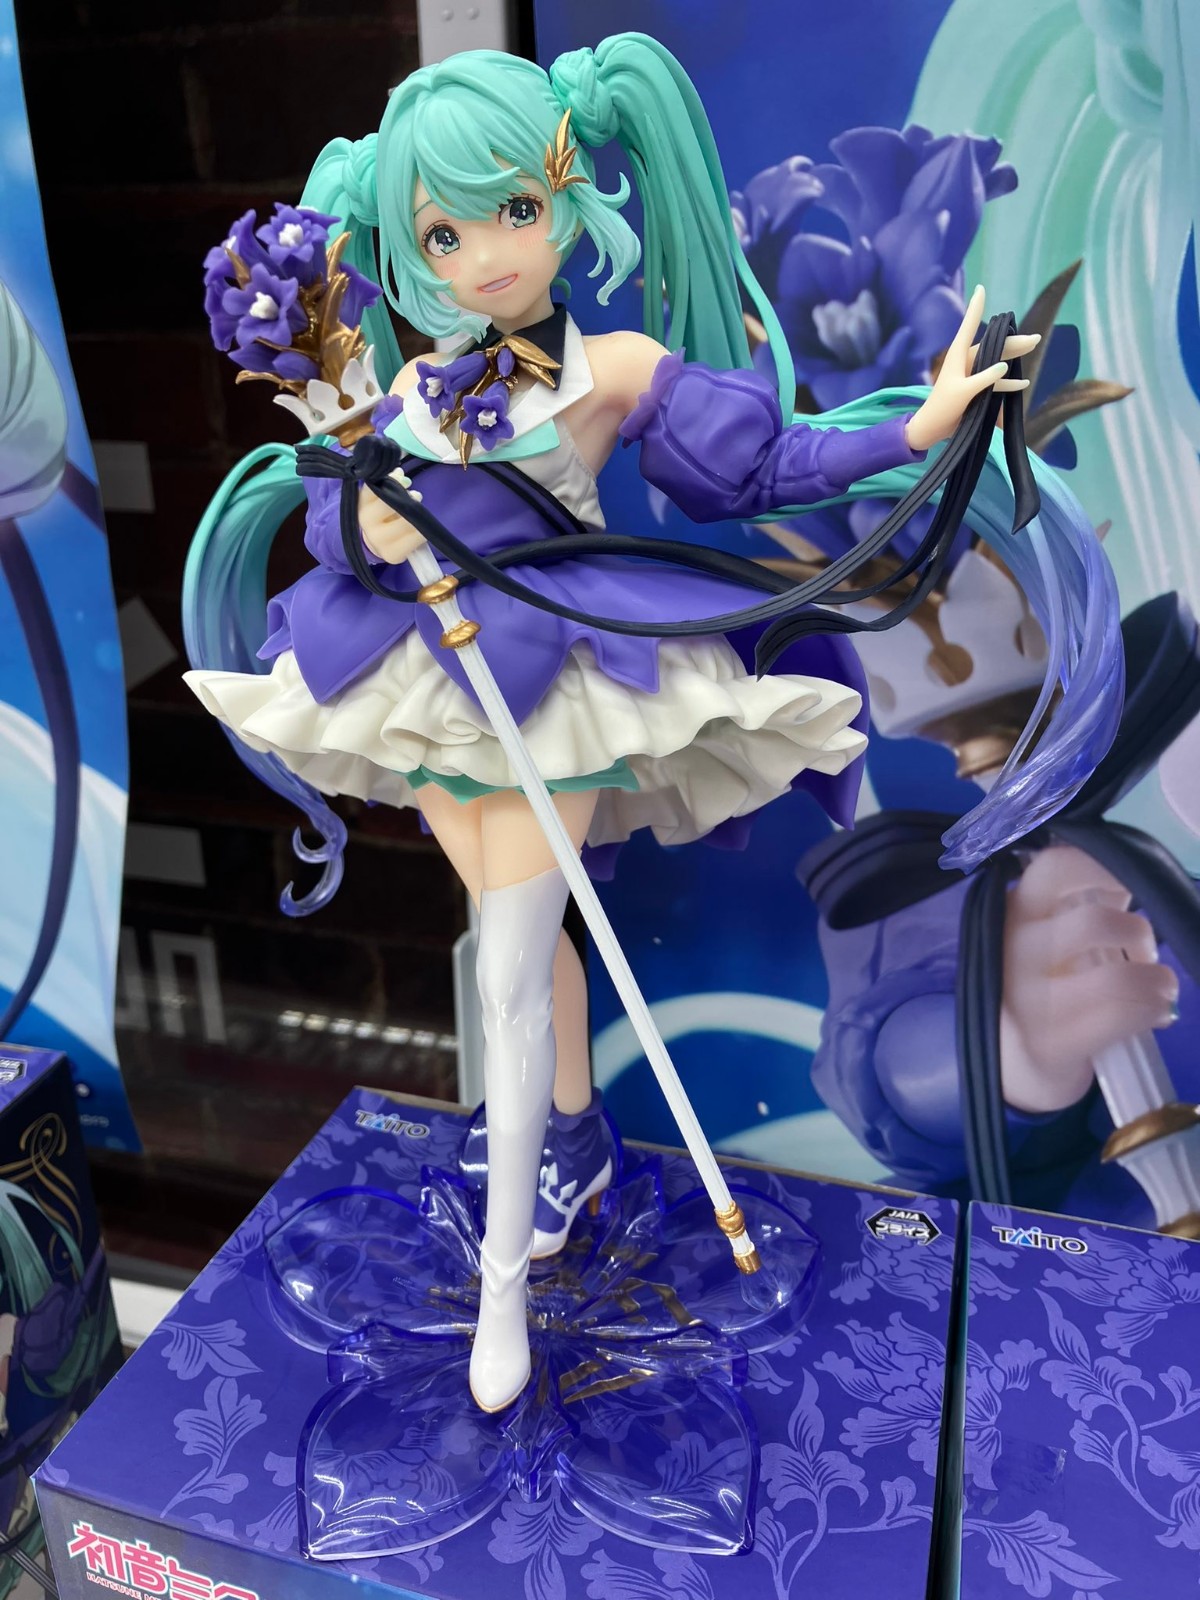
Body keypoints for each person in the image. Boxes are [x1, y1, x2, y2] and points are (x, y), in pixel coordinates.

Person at [183, 34, 1120, 1413]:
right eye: (445, 233)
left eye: (516, 209)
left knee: (509, 971)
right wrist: (366, 522)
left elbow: (763, 467)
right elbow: (336, 519)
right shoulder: (401, 391)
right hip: (421, 681)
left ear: (565, 196)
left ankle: (502, 1291)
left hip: (551, 673)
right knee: (515, 934)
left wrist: (915, 429)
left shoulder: (608, 366)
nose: (487, 256)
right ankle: (573, 1139)